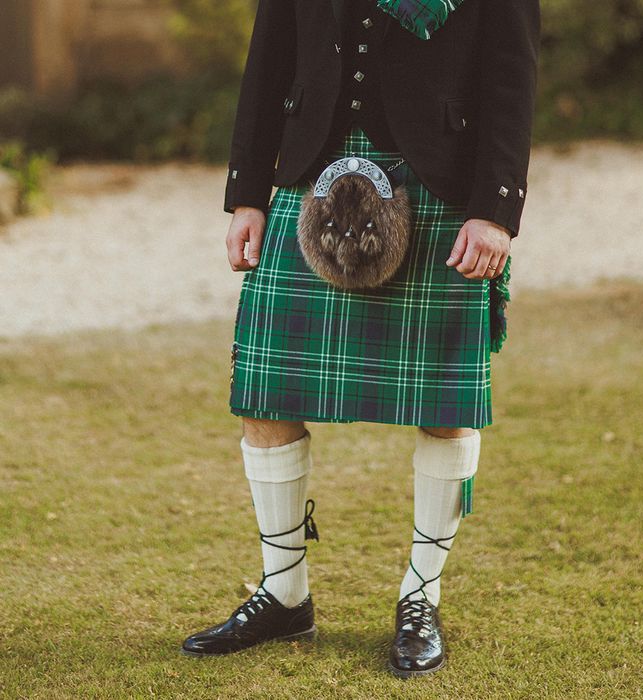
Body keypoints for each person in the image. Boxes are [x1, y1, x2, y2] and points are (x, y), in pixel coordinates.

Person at [181, 0, 540, 678]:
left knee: (445, 404)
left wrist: (495, 210)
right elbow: (269, 61)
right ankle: (284, 590)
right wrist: (248, 192)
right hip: (308, 174)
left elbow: (511, 73)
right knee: (265, 391)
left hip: (436, 180)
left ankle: (421, 597)